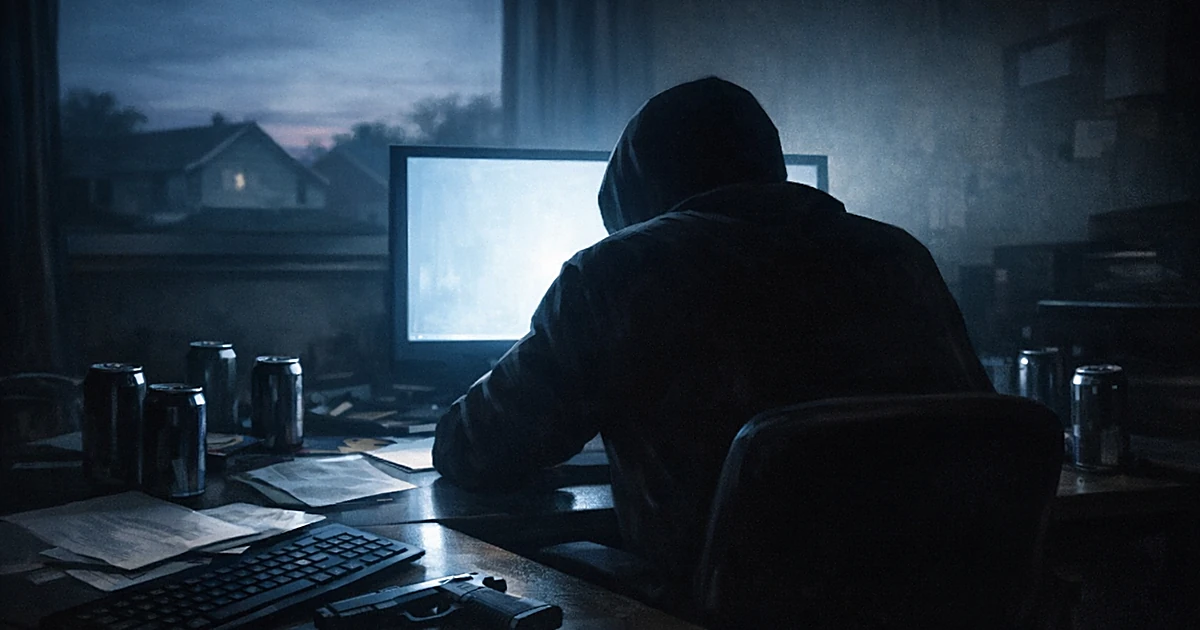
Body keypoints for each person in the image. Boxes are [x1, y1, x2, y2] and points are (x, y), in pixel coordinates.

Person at [433, 76, 993, 603]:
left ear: (635, 193)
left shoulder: (620, 271)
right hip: (928, 602)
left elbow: (478, 450)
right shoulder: (899, 255)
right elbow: (979, 431)